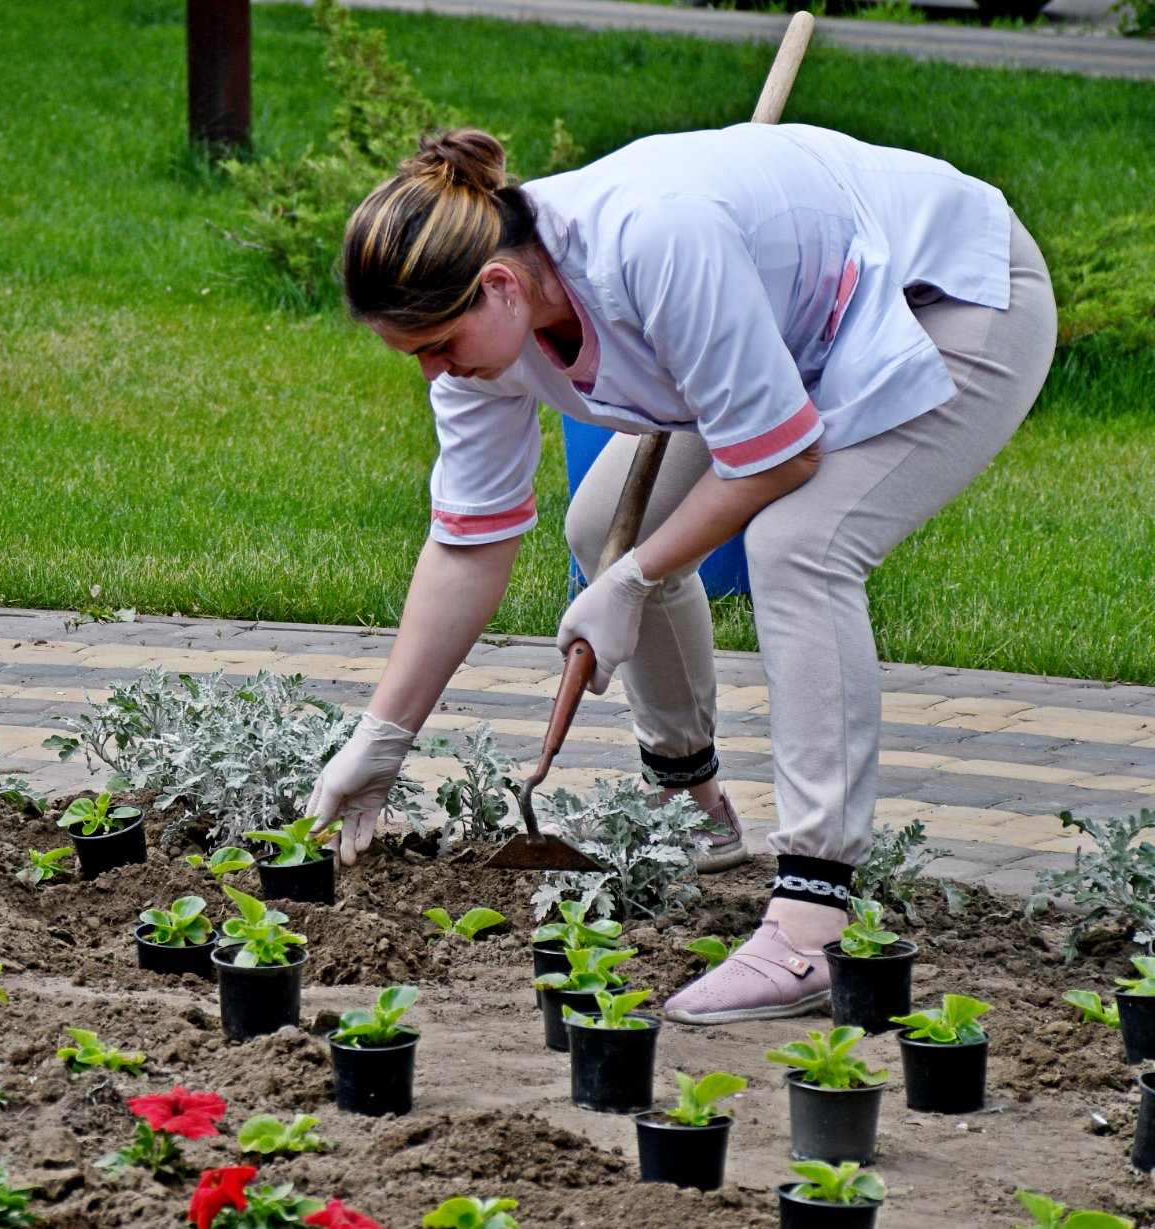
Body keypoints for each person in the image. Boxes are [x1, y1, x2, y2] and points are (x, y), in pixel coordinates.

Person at [304, 123, 1055, 1023]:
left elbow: (779, 461)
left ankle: (812, 925)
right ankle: (695, 803)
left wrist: (632, 580)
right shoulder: (488, 329)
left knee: (801, 547)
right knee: (602, 527)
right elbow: (469, 541)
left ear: (499, 286)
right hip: (797, 321)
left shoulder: (654, 245)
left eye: (436, 345)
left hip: (949, 293)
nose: (434, 371)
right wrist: (384, 735)